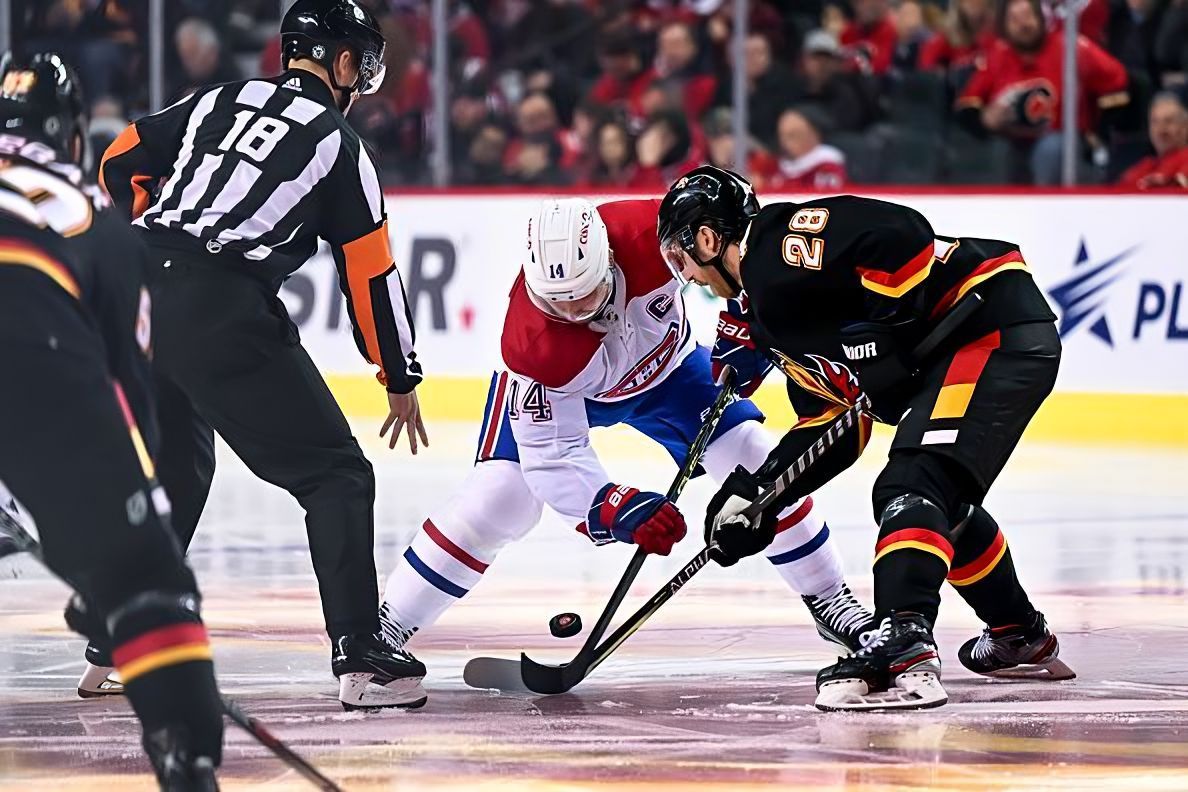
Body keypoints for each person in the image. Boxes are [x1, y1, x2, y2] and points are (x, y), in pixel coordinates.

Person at [376, 197, 875, 702]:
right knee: (501, 497)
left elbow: (744, 252)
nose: (573, 311)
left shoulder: (655, 231)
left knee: (754, 458)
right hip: (571, 397)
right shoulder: (534, 347)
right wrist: (616, 506)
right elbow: (553, 456)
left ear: (608, 259)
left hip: (671, 373)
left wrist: (753, 325)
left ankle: (833, 602)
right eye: (557, 303)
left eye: (585, 293)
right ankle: (387, 627)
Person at [97, 0, 428, 710]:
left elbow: (119, 156)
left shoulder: (221, 97)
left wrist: (155, 246)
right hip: (221, 304)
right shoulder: (340, 145)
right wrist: (399, 374)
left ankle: (111, 635)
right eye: (361, 58)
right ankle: (360, 656)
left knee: (182, 467)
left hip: (138, 293)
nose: (364, 72)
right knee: (337, 475)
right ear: (341, 61)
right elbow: (370, 278)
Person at [658, 165, 1075, 713]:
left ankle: (903, 638)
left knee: (914, 482)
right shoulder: (773, 313)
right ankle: (1018, 631)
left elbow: (899, 233)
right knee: (938, 503)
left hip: (985, 324)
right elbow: (834, 424)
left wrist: (887, 329)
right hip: (969, 343)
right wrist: (760, 497)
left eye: (680, 258)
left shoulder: (774, 246)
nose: (686, 276)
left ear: (708, 239)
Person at [0, 52, 223, 789]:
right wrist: (124, 560)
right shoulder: (96, 220)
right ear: (71, 138)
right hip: (30, 324)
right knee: (147, 577)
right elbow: (130, 403)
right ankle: (186, 760)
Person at [955, 0, 1132, 184]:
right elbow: (967, 103)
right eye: (1014, 20)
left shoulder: (1070, 47)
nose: (1023, 24)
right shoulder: (998, 56)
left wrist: (1097, 133)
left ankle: (1049, 209)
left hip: (1064, 144)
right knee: (999, 152)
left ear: (1040, 18)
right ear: (1005, 26)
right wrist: (986, 119)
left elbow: (1117, 81)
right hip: (1012, 141)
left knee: (1050, 149)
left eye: (1027, 16)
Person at [1117, 92, 1188, 189]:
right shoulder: (1144, 166)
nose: (1161, 129)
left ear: (1185, 127)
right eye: (1155, 122)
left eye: (1169, 121)